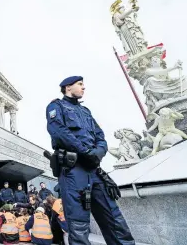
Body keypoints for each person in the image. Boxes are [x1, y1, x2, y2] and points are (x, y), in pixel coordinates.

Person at [46, 76, 134, 244]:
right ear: (68, 87)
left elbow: (101, 137)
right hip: (73, 171)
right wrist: (85, 152)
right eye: (80, 84)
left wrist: (97, 154)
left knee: (115, 220)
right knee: (79, 226)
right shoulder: (56, 106)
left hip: (94, 171)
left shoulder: (86, 112)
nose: (83, 87)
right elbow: (59, 132)